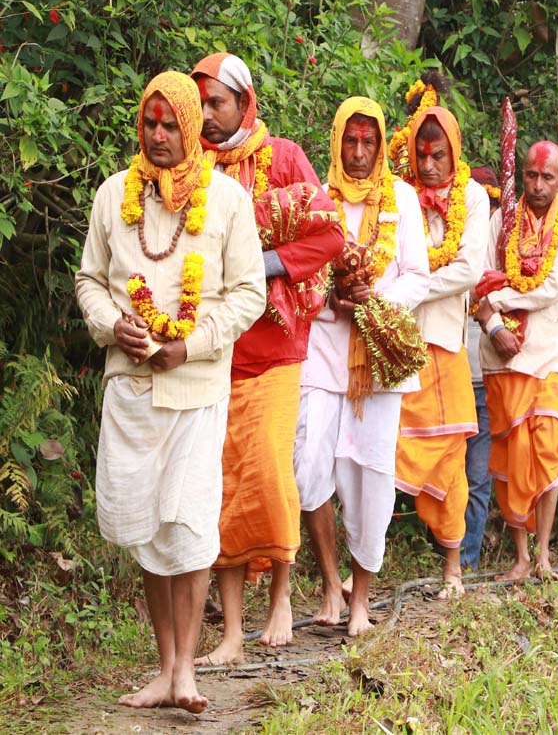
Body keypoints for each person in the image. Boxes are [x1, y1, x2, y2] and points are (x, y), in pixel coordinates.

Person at [75, 72, 266, 712]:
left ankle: (187, 670)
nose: (158, 136)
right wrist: (111, 325)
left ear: (190, 127)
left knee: (187, 527)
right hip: (130, 390)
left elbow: (249, 294)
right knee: (147, 531)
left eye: (169, 124)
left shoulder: (229, 200)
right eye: (149, 124)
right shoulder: (112, 197)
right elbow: (90, 282)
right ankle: (164, 667)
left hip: (196, 385)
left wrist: (191, 342)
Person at [190, 52, 344, 664]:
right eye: (198, 104)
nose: (205, 115)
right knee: (224, 485)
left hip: (277, 346)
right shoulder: (191, 168)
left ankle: (280, 594)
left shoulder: (281, 158)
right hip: (213, 348)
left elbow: (330, 234)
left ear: (244, 103)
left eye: (216, 103)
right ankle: (230, 633)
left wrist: (264, 267)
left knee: (273, 475)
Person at [293, 97, 430, 636]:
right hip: (324, 348)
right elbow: (301, 272)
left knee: (371, 476)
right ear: (336, 142)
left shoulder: (402, 199)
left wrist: (375, 299)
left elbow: (418, 277)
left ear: (379, 145)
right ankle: (330, 583)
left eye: (367, 142)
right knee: (308, 466)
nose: (357, 152)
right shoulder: (316, 199)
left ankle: (360, 602)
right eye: (349, 141)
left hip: (381, 355)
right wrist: (332, 298)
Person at [474, 141, 558, 581]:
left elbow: (551, 288)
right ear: (521, 175)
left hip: (551, 354)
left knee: (547, 451)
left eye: (547, 177)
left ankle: (543, 554)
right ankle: (521, 557)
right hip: (504, 355)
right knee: (510, 455)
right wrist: (493, 325)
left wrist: (497, 295)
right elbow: (476, 281)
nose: (537, 186)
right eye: (530, 176)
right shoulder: (501, 222)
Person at [394, 100, 490, 598]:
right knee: (383, 451)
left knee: (451, 455)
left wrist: (407, 284)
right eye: (421, 154)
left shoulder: (473, 197)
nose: (429, 165)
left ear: (455, 154)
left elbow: (468, 271)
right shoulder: (399, 194)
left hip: (446, 345)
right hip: (396, 343)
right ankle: (366, 563)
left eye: (439, 156)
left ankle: (453, 568)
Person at [461, 166, 501, 570]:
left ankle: (468, 559)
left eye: (492, 206)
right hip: (453, 376)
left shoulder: (503, 254)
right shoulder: (454, 248)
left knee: (477, 477)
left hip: (487, 380)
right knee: (446, 472)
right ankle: (446, 553)